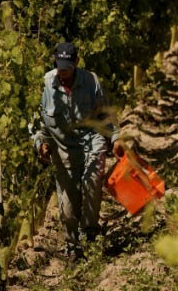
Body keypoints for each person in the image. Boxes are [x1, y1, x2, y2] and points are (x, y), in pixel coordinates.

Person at [31, 42, 124, 260]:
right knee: (68, 208)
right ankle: (73, 245)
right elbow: (37, 123)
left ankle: (90, 236)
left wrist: (116, 138)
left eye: (67, 67)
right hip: (63, 149)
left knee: (92, 186)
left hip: (92, 141)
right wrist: (40, 144)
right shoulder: (45, 83)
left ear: (76, 63)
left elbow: (104, 114)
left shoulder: (91, 81)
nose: (62, 72)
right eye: (59, 66)